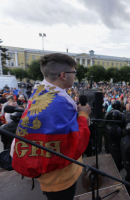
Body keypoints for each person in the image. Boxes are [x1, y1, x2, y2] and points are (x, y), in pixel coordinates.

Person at [12, 53, 91, 200]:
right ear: (63, 75)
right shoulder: (59, 104)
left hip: (49, 170)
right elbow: (75, 144)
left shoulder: (40, 92)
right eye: (74, 72)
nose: (75, 76)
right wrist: (83, 115)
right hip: (60, 176)